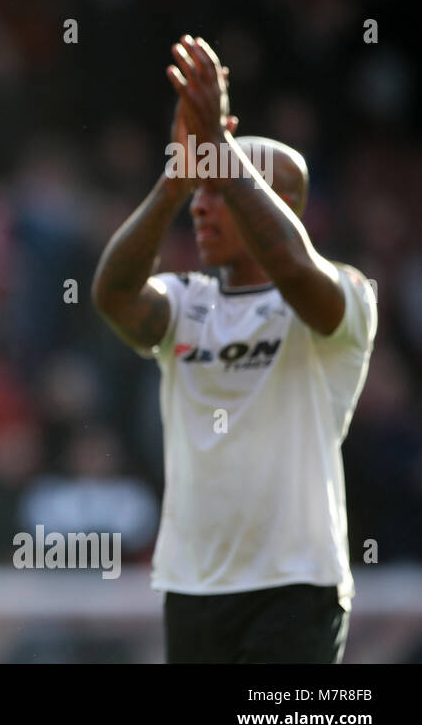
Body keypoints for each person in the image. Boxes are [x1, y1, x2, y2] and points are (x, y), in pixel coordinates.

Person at [92, 35, 376, 663]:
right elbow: (112, 295)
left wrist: (219, 148)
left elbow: (296, 268)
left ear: (282, 206)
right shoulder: (185, 302)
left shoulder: (342, 298)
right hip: (191, 584)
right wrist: (174, 177)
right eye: (202, 187)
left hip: (295, 583)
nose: (201, 204)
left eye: (218, 189)